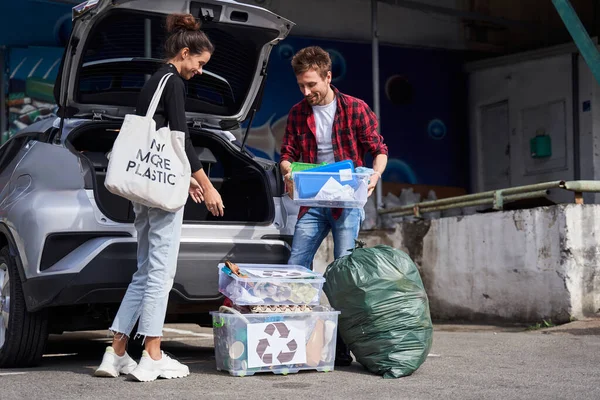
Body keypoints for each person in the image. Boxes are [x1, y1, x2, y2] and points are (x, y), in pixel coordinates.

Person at [94, 13, 224, 382]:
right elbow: (180, 138)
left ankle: (116, 352)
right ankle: (152, 353)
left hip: (144, 187)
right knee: (161, 273)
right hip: (162, 193)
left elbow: (161, 143)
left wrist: (186, 179)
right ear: (184, 53)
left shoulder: (152, 80)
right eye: (199, 64)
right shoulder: (174, 83)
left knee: (145, 271)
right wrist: (206, 182)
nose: (199, 71)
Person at [279, 46, 388, 366]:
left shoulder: (355, 109)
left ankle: (342, 344)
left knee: (343, 273)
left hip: (347, 204)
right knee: (297, 265)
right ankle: (294, 338)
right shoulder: (298, 113)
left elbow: (378, 148)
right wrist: (288, 171)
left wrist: (376, 176)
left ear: (328, 76)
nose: (306, 91)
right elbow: (286, 154)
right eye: (301, 85)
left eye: (312, 84)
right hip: (312, 204)